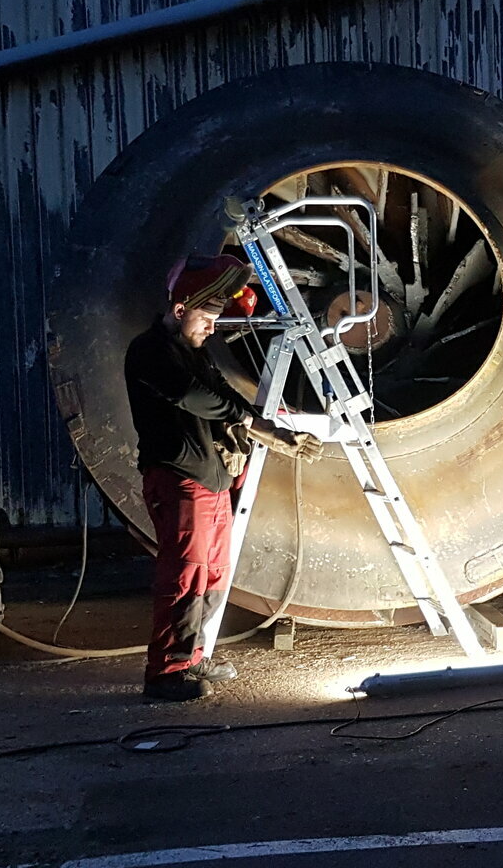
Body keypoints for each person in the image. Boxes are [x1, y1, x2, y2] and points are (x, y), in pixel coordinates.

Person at [123, 253, 318, 701]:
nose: (213, 327)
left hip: (210, 479)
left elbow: (223, 394)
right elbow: (191, 395)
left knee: (212, 574)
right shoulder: (149, 352)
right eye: (207, 317)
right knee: (186, 575)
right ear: (179, 311)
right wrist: (254, 426)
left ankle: (192, 658)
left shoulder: (196, 355)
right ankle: (166, 672)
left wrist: (266, 430)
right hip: (179, 477)